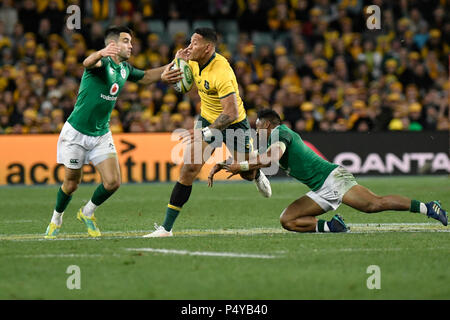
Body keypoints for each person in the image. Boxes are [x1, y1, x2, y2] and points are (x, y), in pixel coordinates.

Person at [208, 109, 448, 232]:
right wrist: (225, 162)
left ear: (268, 124)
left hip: (333, 179)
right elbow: (254, 159)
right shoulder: (271, 137)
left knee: (373, 204)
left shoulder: (281, 133)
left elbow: (269, 158)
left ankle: (428, 207)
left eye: (257, 126)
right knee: (288, 221)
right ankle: (332, 227)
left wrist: (243, 165)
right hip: (320, 189)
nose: (255, 130)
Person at [44, 26, 183, 238]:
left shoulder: (124, 68)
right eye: (126, 41)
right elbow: (87, 63)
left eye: (131, 41)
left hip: (101, 134)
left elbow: (146, 76)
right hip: (76, 134)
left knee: (113, 182)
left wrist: (175, 63)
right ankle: (56, 218)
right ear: (113, 45)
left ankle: (87, 212)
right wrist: (100, 53)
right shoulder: (102, 64)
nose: (131, 45)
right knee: (71, 184)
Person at [143, 28, 272, 238]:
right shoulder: (191, 60)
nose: (188, 47)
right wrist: (174, 67)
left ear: (208, 48)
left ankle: (256, 172)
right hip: (207, 118)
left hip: (233, 123)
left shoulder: (222, 72)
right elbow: (182, 87)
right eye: (190, 42)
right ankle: (166, 229)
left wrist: (205, 132)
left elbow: (230, 113)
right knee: (189, 169)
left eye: (194, 43)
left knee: (246, 174)